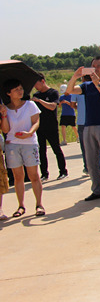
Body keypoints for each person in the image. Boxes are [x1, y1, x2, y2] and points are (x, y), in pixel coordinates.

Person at [65, 57, 100, 201]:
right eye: (92, 66)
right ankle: (96, 190)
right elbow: (70, 91)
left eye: (98, 66)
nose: (95, 69)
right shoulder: (86, 85)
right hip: (88, 125)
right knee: (91, 160)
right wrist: (75, 77)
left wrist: (98, 83)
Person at [1, 79, 45, 217]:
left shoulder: (30, 105)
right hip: (12, 144)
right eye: (16, 89)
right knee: (18, 176)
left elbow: (36, 122)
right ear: (8, 93)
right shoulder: (5, 108)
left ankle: (39, 204)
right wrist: (4, 115)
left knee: (34, 175)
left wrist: (29, 133)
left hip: (29, 143)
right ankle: (21, 206)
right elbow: (6, 130)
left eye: (21, 88)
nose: (20, 91)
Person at [32, 74, 68, 181]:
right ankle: (44, 174)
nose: (35, 87)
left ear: (42, 81)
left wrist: (40, 101)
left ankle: (63, 171)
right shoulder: (36, 95)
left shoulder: (53, 93)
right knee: (41, 151)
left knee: (56, 149)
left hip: (51, 126)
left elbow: (53, 106)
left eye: (36, 84)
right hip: (40, 126)